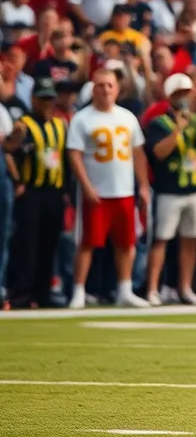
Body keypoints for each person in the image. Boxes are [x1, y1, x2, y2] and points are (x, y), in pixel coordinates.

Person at [65, 69, 151, 309]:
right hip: (97, 193)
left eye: (109, 85)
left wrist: (143, 185)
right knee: (87, 243)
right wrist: (86, 186)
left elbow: (138, 154)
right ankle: (79, 291)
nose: (105, 90)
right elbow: (74, 155)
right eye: (100, 85)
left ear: (117, 89)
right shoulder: (83, 119)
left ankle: (124, 289)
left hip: (123, 191)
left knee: (126, 243)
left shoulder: (127, 117)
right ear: (93, 89)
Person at [144, 73, 196, 305]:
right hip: (170, 189)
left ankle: (185, 287)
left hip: (195, 189)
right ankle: (152, 289)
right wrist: (177, 129)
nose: (184, 98)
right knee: (162, 239)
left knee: (191, 239)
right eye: (178, 94)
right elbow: (159, 152)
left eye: (186, 93)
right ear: (170, 97)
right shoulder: (159, 123)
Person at [5, 78, 68, 309]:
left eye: (49, 99)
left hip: (54, 191)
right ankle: (23, 291)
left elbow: (66, 160)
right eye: (42, 99)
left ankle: (43, 292)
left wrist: (66, 191)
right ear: (33, 99)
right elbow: (10, 151)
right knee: (27, 243)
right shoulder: (24, 124)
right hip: (31, 191)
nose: (46, 103)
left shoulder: (61, 125)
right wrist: (18, 181)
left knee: (50, 243)